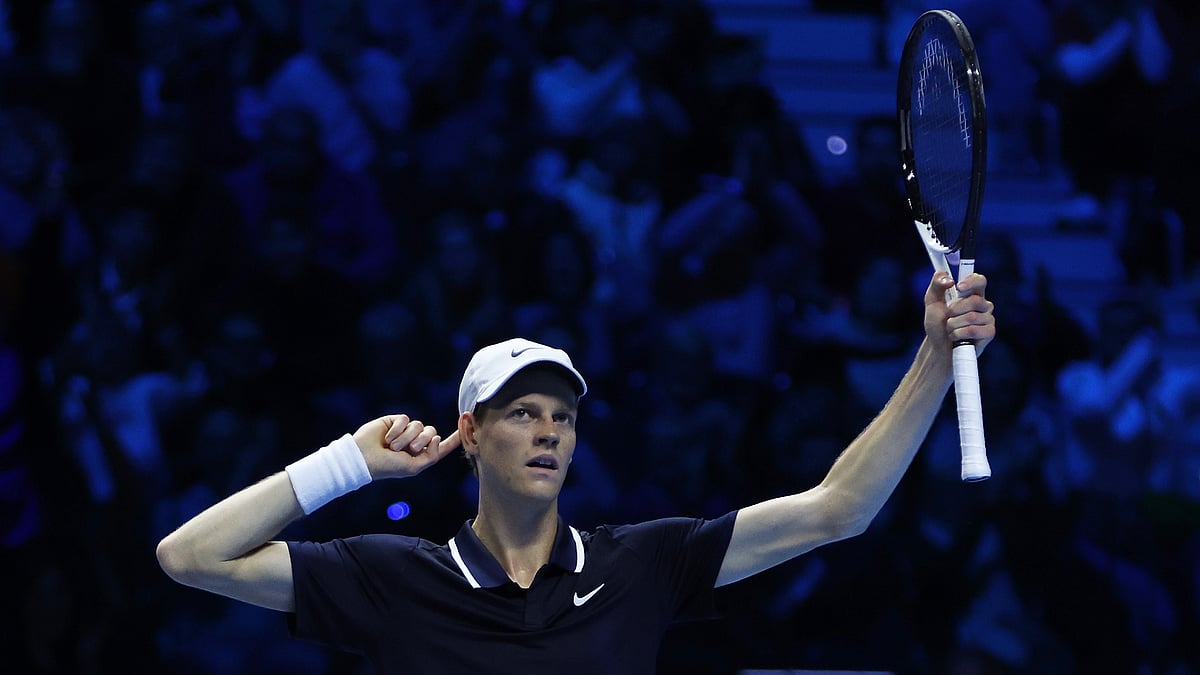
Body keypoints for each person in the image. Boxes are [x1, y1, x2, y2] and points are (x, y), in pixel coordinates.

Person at [156, 271, 995, 673]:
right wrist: (347, 462)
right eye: (522, 413)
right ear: (470, 435)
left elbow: (837, 509)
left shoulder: (641, 564)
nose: (549, 430)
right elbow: (190, 557)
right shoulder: (389, 576)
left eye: (562, 415)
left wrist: (931, 353)